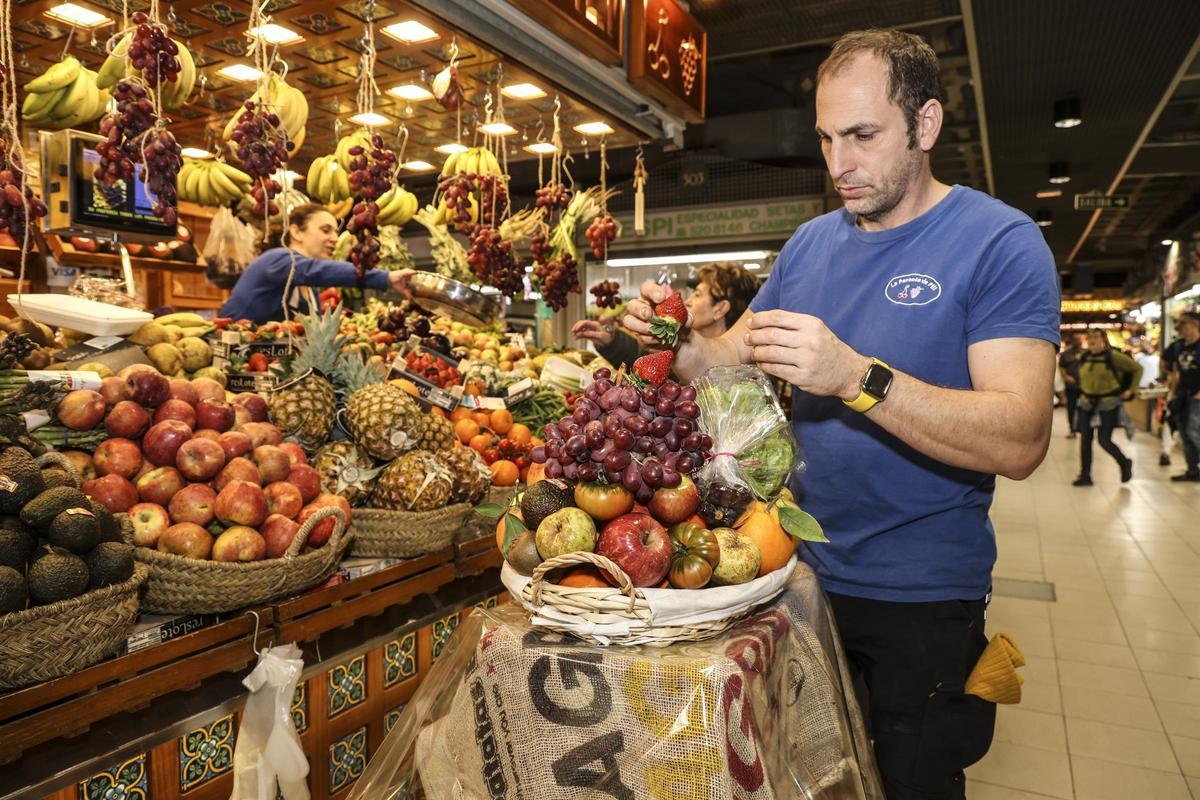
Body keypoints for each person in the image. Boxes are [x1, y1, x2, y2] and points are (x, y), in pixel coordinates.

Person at [623, 29, 1058, 799]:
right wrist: (667, 342)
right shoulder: (810, 244)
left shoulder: (1000, 241)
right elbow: (726, 361)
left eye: (862, 136)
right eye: (826, 138)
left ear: (924, 127)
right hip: (795, 577)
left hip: (921, 598)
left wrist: (857, 376)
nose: (838, 165)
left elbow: (1021, 438)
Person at [220, 204, 413, 323]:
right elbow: (312, 270)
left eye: (336, 232)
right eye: (325, 230)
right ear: (296, 232)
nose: (334, 239)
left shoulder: (310, 289)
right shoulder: (277, 259)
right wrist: (385, 277)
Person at [570, 261, 758, 371]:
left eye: (698, 294)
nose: (688, 300)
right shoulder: (685, 353)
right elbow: (643, 357)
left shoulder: (746, 371)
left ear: (720, 309)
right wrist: (610, 339)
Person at [1072, 329, 1141, 486]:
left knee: (1104, 441)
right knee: (1085, 441)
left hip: (1107, 404)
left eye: (1096, 337)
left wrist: (1131, 389)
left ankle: (1124, 463)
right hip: (1086, 404)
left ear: (1103, 339)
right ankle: (1085, 475)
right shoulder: (1084, 356)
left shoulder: (1113, 357)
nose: (1092, 340)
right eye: (1089, 337)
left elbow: (1137, 369)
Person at [1170, 311, 1200, 482]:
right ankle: (1193, 470)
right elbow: (1176, 371)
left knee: (1194, 430)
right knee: (1185, 433)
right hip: (1182, 394)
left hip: (1197, 396)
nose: (1180, 327)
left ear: (1195, 324)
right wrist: (1174, 392)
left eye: (1184, 323)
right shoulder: (1178, 346)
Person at [1059, 332, 1084, 438]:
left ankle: (1084, 429)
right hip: (1071, 387)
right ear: (1072, 340)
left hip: (1084, 387)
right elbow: (1062, 367)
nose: (1079, 341)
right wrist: (1066, 377)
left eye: (1080, 339)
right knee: (1071, 408)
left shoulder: (1086, 352)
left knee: (1084, 408)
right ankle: (1072, 430)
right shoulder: (1066, 354)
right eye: (1076, 339)